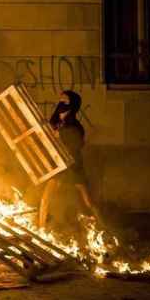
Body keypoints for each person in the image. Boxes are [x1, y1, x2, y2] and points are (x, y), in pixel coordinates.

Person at [48, 90, 98, 220]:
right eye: (60, 100)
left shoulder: (75, 126)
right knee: (47, 197)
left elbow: (76, 145)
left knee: (86, 198)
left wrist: (61, 136)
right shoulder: (57, 124)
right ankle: (41, 226)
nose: (60, 103)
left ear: (71, 106)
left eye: (64, 101)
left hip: (72, 164)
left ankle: (100, 222)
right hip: (60, 164)